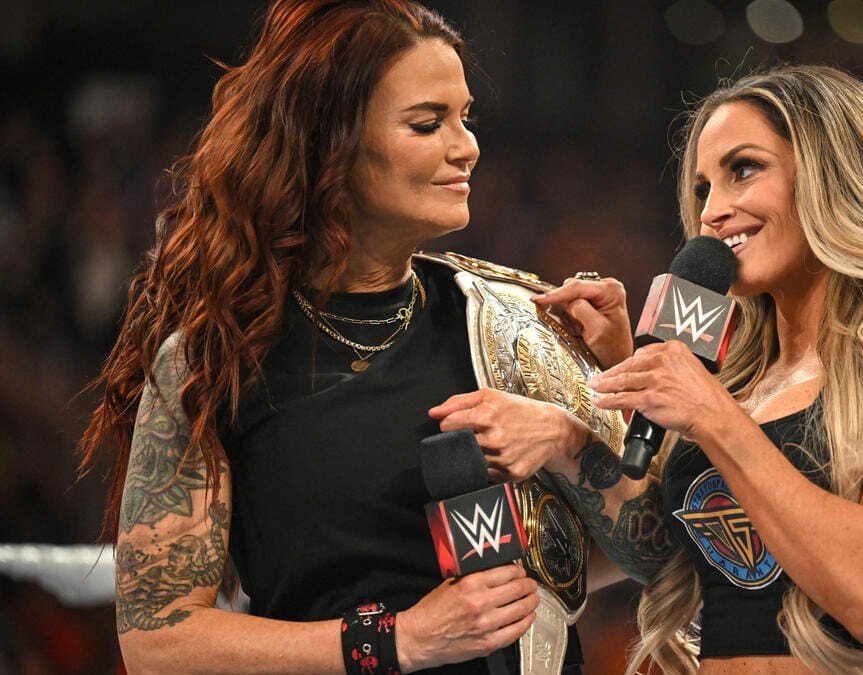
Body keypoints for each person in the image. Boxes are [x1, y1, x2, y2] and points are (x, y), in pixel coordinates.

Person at [78, 1, 627, 672]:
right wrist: (399, 639)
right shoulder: (215, 357)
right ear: (328, 141)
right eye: (427, 123)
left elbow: (656, 549)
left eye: (466, 118)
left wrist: (585, 430)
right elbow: (156, 640)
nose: (467, 146)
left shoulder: (512, 323)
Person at [522, 66, 863, 674]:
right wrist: (575, 426)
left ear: (834, 174)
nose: (713, 211)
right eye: (703, 189)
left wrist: (713, 416)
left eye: (744, 169)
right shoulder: (737, 380)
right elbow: (664, 558)